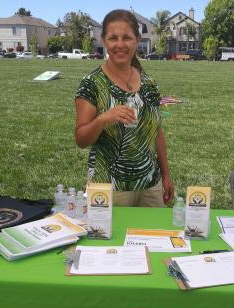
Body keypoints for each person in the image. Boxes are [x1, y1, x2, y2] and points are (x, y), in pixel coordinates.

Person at [74, 9, 174, 207]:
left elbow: (157, 131)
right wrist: (103, 118)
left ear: (137, 40)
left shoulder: (148, 83)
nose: (120, 44)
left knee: (154, 236)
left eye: (127, 38)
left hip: (150, 185)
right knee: (111, 238)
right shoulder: (92, 84)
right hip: (109, 188)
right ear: (104, 40)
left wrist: (166, 175)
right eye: (113, 38)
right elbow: (81, 139)